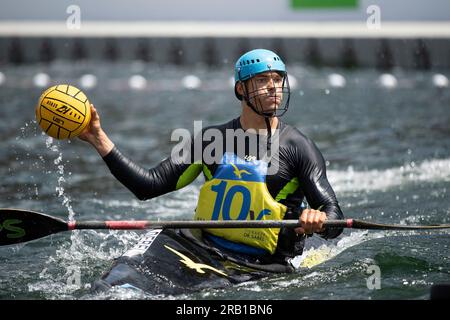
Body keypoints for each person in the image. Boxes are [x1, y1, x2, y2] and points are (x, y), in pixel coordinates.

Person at [79, 48, 344, 268]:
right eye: (263, 80)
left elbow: (334, 215)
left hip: (266, 262)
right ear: (241, 89)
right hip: (206, 251)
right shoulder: (209, 140)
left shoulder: (299, 147)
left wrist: (318, 222)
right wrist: (98, 138)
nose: (273, 88)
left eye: (277, 80)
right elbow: (148, 186)